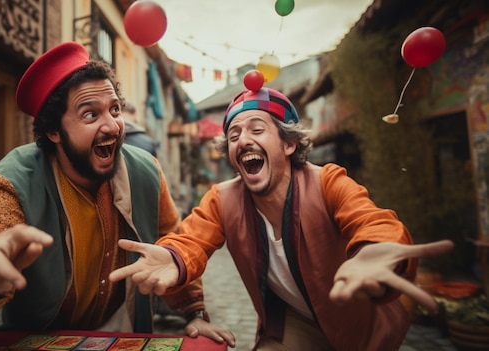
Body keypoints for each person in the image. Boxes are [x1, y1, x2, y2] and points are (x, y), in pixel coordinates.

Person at [0, 41, 234, 346]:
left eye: (115, 109)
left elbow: (172, 241)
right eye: (90, 115)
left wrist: (194, 313)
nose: (113, 126)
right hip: (43, 337)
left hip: (124, 328)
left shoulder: (146, 171)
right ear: (54, 131)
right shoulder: (8, 181)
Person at [109, 83, 455, 350]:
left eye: (257, 130)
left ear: (288, 144)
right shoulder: (223, 198)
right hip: (292, 324)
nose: (243, 140)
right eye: (234, 134)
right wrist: (172, 256)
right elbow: (191, 240)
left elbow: (372, 221)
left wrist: (375, 250)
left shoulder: (327, 182)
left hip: (360, 323)